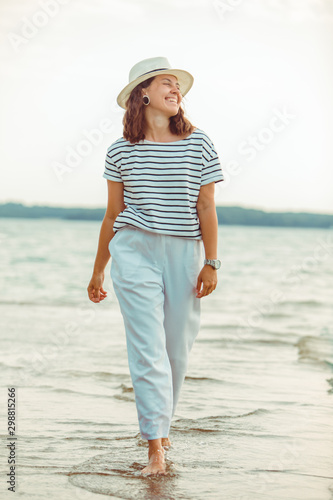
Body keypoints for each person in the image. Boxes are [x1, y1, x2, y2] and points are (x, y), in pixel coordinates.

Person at [87, 56, 224, 476]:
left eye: (178, 86)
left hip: (185, 253)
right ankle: (155, 451)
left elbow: (206, 206)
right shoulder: (118, 151)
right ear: (142, 94)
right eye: (167, 83)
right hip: (133, 251)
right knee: (148, 350)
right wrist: (98, 270)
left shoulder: (199, 143)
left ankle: (162, 431)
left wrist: (212, 262)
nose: (175, 90)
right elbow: (113, 214)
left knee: (175, 351)